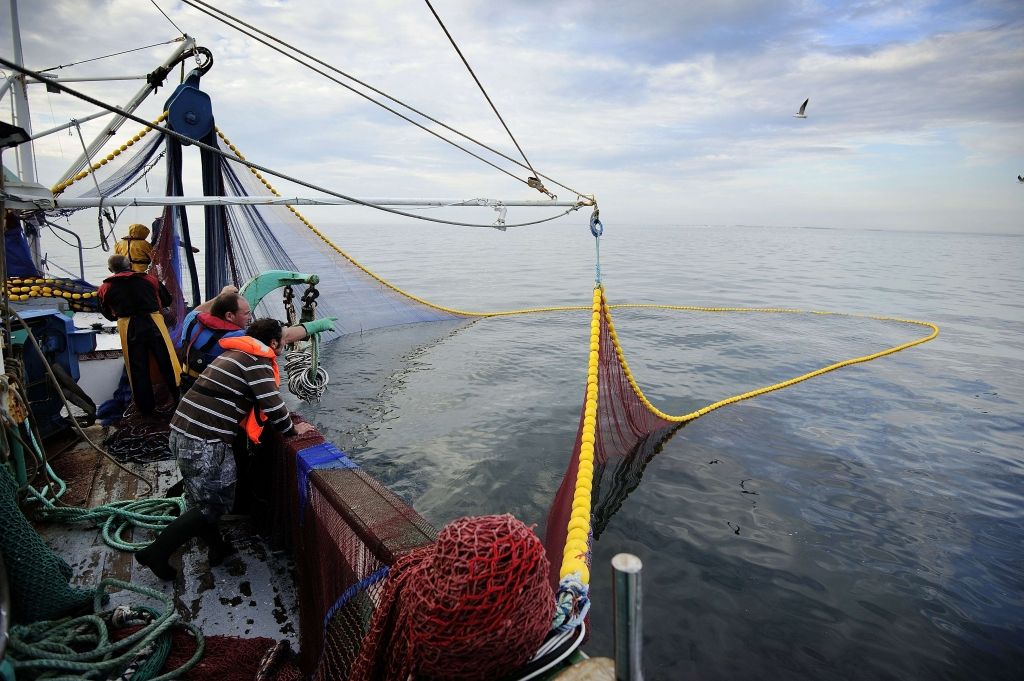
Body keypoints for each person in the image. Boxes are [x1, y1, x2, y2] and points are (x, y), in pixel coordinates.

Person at [135, 318, 318, 580]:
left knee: (204, 500)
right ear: (274, 342)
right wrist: (293, 429)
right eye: (283, 339)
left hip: (184, 432)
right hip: (203, 439)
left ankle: (217, 547)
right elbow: (273, 405)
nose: (285, 343)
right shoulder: (257, 362)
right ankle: (156, 552)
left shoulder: (237, 353)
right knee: (214, 503)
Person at [178, 289, 329, 391]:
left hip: (186, 389)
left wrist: (223, 295)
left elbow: (199, 309)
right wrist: (316, 326)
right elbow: (285, 335)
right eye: (246, 314)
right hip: (212, 394)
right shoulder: (238, 338)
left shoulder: (190, 321)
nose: (250, 317)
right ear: (229, 316)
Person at [97, 254, 180, 416]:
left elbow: (107, 313)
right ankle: (179, 399)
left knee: (137, 369)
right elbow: (166, 300)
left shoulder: (105, 288)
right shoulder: (149, 279)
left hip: (128, 325)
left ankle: (146, 409)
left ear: (110, 270)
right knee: (168, 362)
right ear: (130, 265)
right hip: (153, 321)